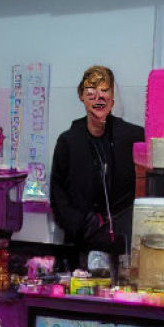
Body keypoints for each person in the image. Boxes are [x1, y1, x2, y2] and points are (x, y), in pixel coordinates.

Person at [50, 65, 145, 260]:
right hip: (81, 246)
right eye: (91, 91)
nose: (98, 97)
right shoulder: (68, 142)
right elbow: (57, 196)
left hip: (124, 246)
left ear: (112, 96)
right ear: (81, 95)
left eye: (104, 90)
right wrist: (81, 225)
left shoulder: (133, 136)